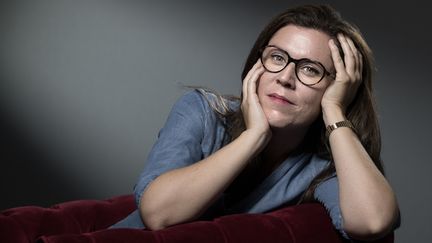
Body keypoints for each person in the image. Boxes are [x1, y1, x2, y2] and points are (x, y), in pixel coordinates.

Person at [111, 4, 400, 241]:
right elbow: (158, 214)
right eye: (277, 57)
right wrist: (253, 137)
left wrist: (336, 110)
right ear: (255, 65)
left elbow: (373, 221)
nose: (285, 78)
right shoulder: (202, 110)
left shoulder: (324, 165)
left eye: (310, 70)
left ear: (338, 87)